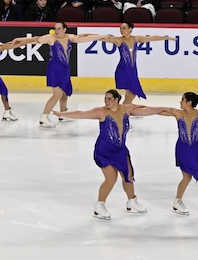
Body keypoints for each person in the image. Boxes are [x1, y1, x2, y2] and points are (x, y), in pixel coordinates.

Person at [54, 89, 166, 219]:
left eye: (109, 99)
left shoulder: (126, 109)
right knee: (111, 179)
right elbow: (82, 114)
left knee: (128, 176)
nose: (106, 101)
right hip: (104, 151)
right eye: (105, 98)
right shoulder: (101, 112)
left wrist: (165, 109)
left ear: (117, 99)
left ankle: (132, 201)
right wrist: (63, 113)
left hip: (120, 150)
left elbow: (146, 110)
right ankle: (99, 205)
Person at [151, 92, 198, 215]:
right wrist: (133, 109)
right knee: (187, 176)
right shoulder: (178, 113)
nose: (180, 102)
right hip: (183, 148)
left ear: (189, 102)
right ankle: (177, 201)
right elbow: (158, 111)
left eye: (182, 100)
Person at [23, 22, 105, 127]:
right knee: (57, 94)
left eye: (59, 29)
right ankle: (44, 116)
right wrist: (19, 41)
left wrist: (101, 36)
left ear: (65, 29)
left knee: (65, 91)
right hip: (55, 69)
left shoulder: (69, 37)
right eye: (55, 29)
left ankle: (63, 113)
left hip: (65, 69)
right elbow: (34, 40)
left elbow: (84, 38)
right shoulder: (50, 38)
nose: (57, 31)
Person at [92, 22, 173, 104]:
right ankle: (122, 111)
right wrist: (87, 35)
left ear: (130, 29)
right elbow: (101, 38)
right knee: (132, 93)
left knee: (129, 93)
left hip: (132, 70)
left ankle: (125, 109)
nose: (121, 30)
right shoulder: (118, 40)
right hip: (123, 69)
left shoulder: (136, 39)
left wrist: (165, 38)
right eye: (120, 28)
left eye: (124, 28)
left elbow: (151, 38)